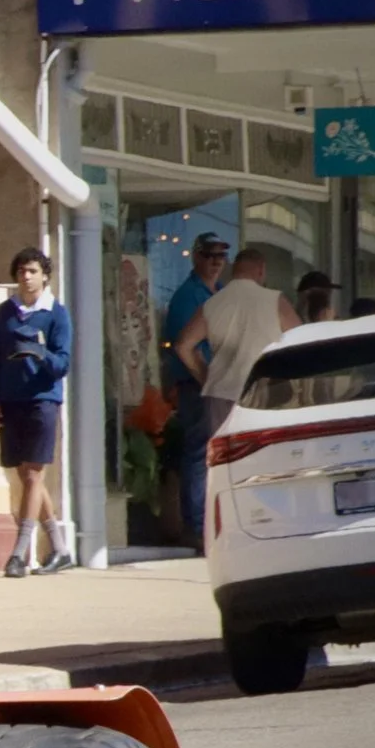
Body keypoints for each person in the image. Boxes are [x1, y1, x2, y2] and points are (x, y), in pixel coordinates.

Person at [0, 246, 75, 577]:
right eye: (21, 270)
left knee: (35, 474)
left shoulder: (56, 313)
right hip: (10, 400)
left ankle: (19, 554)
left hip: (42, 400)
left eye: (33, 270)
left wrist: (40, 353)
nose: (26, 276)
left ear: (45, 275)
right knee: (25, 475)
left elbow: (62, 363)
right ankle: (61, 550)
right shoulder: (5, 312)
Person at [176, 245, 301, 473]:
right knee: (269, 460)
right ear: (261, 270)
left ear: (234, 271)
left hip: (222, 392)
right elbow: (301, 340)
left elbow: (183, 345)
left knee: (225, 463)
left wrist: (206, 377)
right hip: (268, 391)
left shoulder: (213, 303)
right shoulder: (274, 300)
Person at [158, 232, 227, 550]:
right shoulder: (187, 296)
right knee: (198, 454)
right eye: (210, 255)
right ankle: (196, 527)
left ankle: (216, 524)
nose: (216, 261)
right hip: (196, 386)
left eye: (221, 256)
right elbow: (184, 347)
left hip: (222, 385)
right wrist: (207, 381)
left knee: (220, 455)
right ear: (196, 257)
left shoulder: (223, 293)